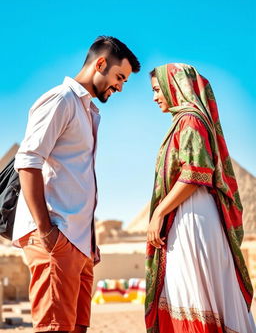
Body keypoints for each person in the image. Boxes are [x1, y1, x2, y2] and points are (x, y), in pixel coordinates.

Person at [12, 36, 140, 333]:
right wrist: (47, 232)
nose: (120, 86)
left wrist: (89, 242)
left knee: (76, 328)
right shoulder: (61, 99)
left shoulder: (88, 111)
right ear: (100, 63)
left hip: (80, 245)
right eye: (119, 77)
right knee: (55, 328)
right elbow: (28, 161)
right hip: (57, 238)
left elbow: (78, 181)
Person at [145, 63, 255, 333]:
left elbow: (196, 173)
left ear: (175, 86)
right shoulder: (185, 120)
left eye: (158, 90)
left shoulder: (190, 120)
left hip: (191, 218)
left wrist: (159, 213)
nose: (155, 97)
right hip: (191, 214)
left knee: (191, 292)